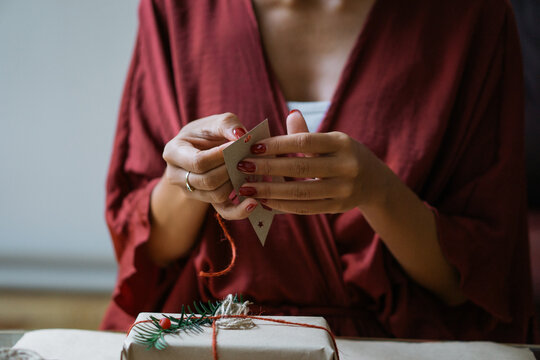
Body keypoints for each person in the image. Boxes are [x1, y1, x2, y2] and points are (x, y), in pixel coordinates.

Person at [101, 0, 538, 343]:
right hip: (211, 336)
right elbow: (147, 254)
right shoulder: (175, 11)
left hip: (400, 344)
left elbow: (475, 281)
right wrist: (189, 182)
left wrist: (378, 191)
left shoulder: (471, 18)